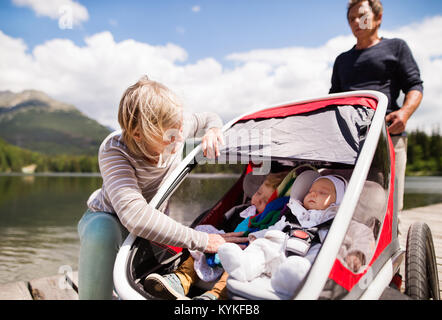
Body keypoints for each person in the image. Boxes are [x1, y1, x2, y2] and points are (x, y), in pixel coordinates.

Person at [77, 76, 247, 300]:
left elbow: (208, 117)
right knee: (102, 230)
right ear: (138, 133)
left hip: (150, 228)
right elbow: (135, 216)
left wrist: (213, 129)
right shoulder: (115, 150)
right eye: (170, 133)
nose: (179, 138)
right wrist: (204, 241)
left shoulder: (177, 126)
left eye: (179, 128)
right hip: (110, 221)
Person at [329, 0, 424, 215]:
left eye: (361, 16)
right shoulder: (342, 60)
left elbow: (415, 85)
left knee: (389, 208)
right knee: (346, 205)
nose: (355, 21)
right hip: (349, 141)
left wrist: (405, 113)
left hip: (388, 135)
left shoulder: (396, 47)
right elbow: (333, 99)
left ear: (378, 18)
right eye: (351, 18)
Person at [218, 175, 375, 297]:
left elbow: (364, 237)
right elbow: (272, 229)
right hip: (277, 256)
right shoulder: (292, 214)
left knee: (320, 254)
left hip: (306, 261)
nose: (313, 193)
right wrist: (256, 238)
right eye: (310, 191)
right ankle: (245, 265)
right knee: (267, 242)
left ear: (339, 201)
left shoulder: (343, 223)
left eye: (322, 193)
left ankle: (293, 280)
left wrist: (357, 255)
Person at [143, 171, 289, 300]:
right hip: (221, 247)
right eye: (258, 193)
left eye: (265, 201)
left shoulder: (276, 226)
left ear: (275, 206)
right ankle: (180, 280)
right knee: (203, 247)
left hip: (243, 258)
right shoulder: (241, 212)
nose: (256, 200)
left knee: (237, 269)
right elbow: (221, 228)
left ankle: (215, 295)